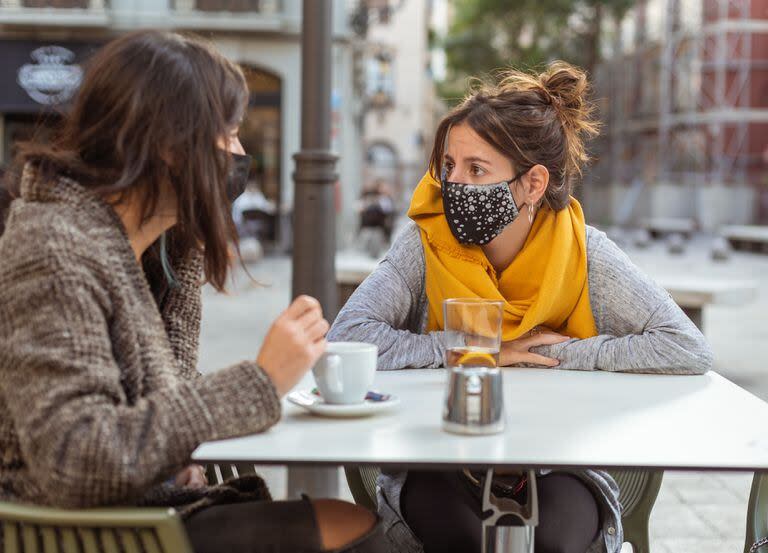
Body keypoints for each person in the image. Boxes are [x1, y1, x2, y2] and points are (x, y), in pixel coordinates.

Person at [0, 30, 386, 553]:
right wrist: (261, 382)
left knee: (346, 518)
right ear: (168, 146)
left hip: (135, 508)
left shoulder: (126, 240)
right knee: (349, 526)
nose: (240, 154)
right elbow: (74, 457)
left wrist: (182, 235)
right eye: (227, 133)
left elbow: (166, 391)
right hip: (79, 530)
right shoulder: (54, 246)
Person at [328, 61, 713, 553]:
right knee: (460, 541)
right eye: (449, 166)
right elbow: (345, 338)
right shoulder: (426, 242)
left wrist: (562, 356)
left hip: (562, 459)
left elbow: (686, 347)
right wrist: (485, 347)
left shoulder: (585, 253)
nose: (455, 185)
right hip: (436, 454)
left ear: (532, 184)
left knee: (556, 543)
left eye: (477, 169)